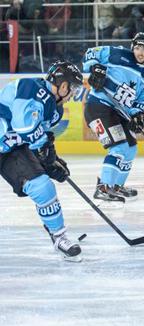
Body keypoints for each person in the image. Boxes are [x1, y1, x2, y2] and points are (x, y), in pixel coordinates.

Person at [0, 61, 83, 261]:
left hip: (11, 151)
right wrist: (45, 151)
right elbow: (23, 126)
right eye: (72, 87)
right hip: (8, 142)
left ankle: (59, 236)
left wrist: (51, 161)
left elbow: (41, 137)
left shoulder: (56, 110)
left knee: (42, 187)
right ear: (63, 85)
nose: (73, 93)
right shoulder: (30, 87)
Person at [82, 32, 144, 202]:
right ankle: (103, 187)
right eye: (137, 47)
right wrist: (94, 67)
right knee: (119, 147)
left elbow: (143, 99)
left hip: (120, 112)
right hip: (98, 106)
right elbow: (90, 53)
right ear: (132, 47)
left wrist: (138, 114)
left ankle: (116, 186)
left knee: (131, 148)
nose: (140, 52)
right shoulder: (117, 54)